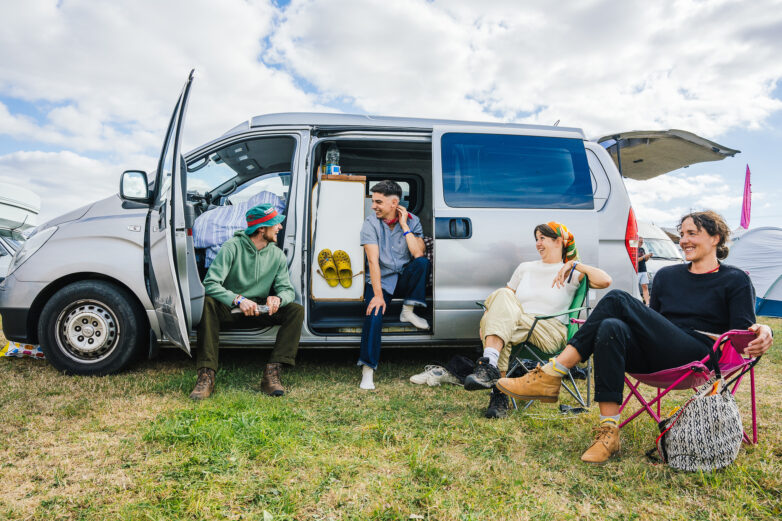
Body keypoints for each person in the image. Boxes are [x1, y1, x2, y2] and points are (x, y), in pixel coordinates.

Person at [496, 211, 774, 463]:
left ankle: (553, 372)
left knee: (617, 298)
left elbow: (742, 334)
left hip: (699, 355)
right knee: (611, 327)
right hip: (661, 350)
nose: (684, 240)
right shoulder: (667, 276)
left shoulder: (735, 279)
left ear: (716, 238)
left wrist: (765, 330)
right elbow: (652, 321)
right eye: (683, 234)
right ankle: (609, 432)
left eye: (693, 233)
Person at [464, 222, 611, 419]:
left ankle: (489, 369)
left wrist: (574, 264)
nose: (538, 243)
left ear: (558, 241)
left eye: (543, 238)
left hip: (550, 330)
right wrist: (489, 314)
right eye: (536, 239)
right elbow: (505, 299)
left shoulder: (572, 272)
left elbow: (605, 281)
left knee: (501, 323)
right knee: (501, 298)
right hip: (518, 324)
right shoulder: (525, 268)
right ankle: (498, 389)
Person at [189, 203, 304, 400]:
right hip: (231, 306)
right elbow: (210, 283)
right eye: (276, 224)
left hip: (259, 308)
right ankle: (206, 375)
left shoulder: (276, 254)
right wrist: (238, 299)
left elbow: (287, 290)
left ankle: (272, 373)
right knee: (207, 303)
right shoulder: (231, 247)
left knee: (295, 310)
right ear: (261, 229)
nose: (280, 227)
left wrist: (278, 298)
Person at [358, 180, 430, 390]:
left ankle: (407, 311)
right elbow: (373, 261)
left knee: (422, 263)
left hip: (405, 279)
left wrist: (405, 225)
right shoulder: (370, 223)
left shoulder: (413, 221)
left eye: (378, 202)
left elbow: (417, 254)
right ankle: (367, 371)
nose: (373, 206)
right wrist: (378, 295)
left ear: (394, 203)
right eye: (373, 201)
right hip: (382, 280)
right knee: (374, 312)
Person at [637, 236, 652, 305]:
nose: (641, 243)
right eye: (640, 242)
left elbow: (645, 260)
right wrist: (644, 256)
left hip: (643, 270)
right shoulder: (634, 249)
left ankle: (647, 303)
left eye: (642, 242)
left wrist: (648, 257)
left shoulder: (642, 249)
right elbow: (635, 260)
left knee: (645, 287)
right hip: (637, 271)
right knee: (636, 287)